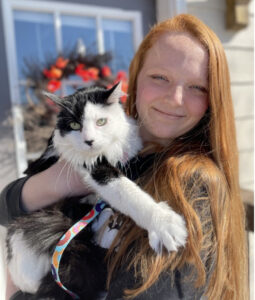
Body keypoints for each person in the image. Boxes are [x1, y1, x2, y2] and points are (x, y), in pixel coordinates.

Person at [0, 14, 248, 300]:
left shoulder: (193, 184)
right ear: (136, 78)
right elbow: (7, 206)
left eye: (196, 87)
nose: (175, 98)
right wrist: (62, 181)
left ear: (211, 99)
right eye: (160, 77)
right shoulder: (108, 137)